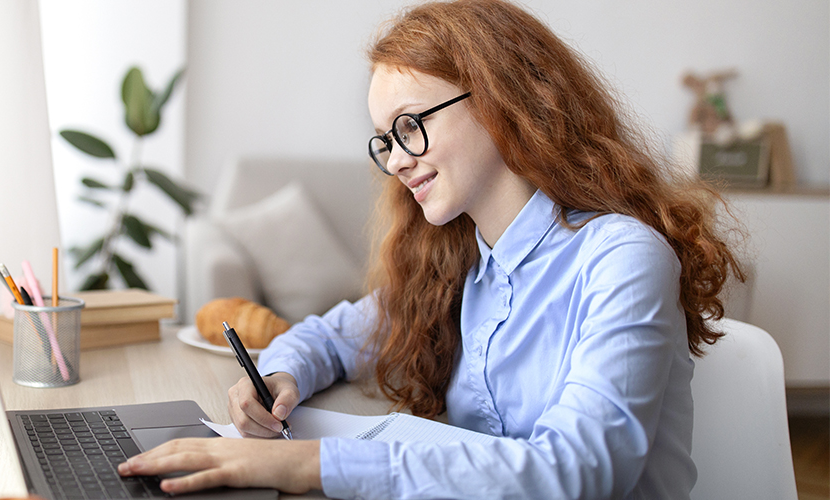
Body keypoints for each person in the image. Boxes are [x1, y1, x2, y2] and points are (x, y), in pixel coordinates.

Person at [117, 0, 743, 498]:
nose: (395, 160)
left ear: (502, 102)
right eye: (384, 141)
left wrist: (307, 465)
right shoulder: (456, 265)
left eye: (410, 126)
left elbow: (578, 472)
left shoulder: (621, 257)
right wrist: (279, 373)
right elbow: (335, 337)